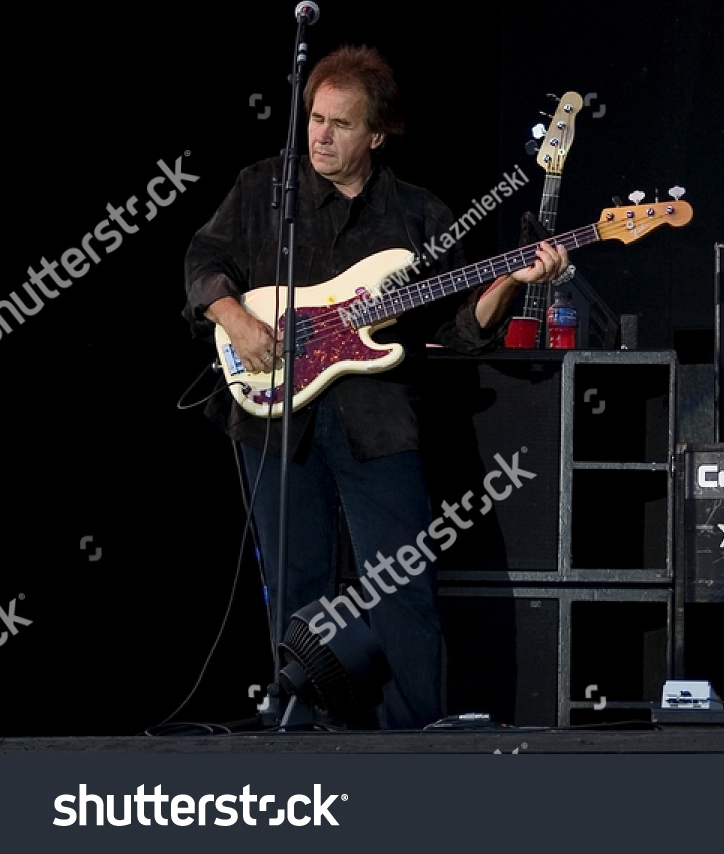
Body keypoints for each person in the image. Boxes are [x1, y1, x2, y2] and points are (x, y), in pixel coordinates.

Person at [183, 45, 567, 728]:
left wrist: (511, 280)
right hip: (274, 412)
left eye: (341, 124)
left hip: (378, 418)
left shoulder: (417, 214)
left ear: (378, 134)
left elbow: (460, 327)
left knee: (400, 582)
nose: (320, 136)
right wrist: (235, 318)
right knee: (296, 582)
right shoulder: (264, 188)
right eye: (316, 119)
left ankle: (411, 739)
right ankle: (294, 737)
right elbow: (204, 261)